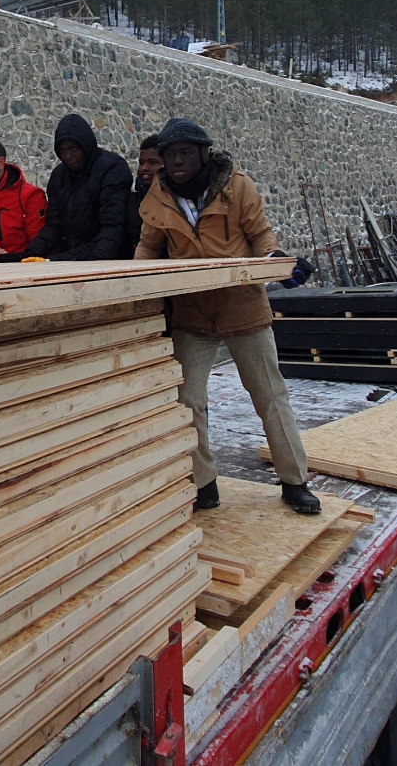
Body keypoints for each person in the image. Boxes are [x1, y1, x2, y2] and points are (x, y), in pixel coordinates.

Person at [133, 118, 319, 515]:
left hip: (243, 308)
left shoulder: (237, 187)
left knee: (270, 396)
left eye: (185, 153)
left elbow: (263, 237)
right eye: (170, 155)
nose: (178, 161)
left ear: (203, 154)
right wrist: (138, 282)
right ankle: (204, 484)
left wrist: (277, 264)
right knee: (187, 402)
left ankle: (294, 481)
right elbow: (148, 247)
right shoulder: (158, 195)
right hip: (192, 314)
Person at [2, 114, 131, 262]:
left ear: (85, 146)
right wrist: (31, 253)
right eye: (63, 151)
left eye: (73, 148)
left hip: (110, 255)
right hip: (76, 252)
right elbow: (55, 225)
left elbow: (113, 224)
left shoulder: (112, 168)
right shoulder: (59, 175)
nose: (68, 156)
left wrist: (97, 259)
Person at [123, 134, 162, 257]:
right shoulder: (131, 202)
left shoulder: (173, 202)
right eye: (141, 162)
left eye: (152, 162)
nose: (144, 168)